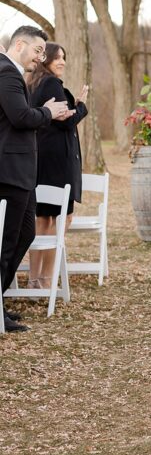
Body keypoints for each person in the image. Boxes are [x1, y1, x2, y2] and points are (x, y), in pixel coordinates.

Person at [0, 26, 69, 333]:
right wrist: (47, 112)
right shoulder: (7, 73)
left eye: (44, 52)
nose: (41, 58)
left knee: (24, 235)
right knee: (7, 241)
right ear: (19, 46)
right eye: (38, 51)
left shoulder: (12, 74)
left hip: (21, 173)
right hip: (9, 172)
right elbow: (21, 117)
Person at [26, 43, 89, 288]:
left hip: (41, 160)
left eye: (64, 57)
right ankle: (46, 279)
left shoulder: (34, 82)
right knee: (61, 220)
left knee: (43, 220)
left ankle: (34, 278)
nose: (62, 61)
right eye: (57, 57)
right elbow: (65, 122)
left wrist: (72, 108)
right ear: (46, 60)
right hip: (57, 164)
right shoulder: (52, 83)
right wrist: (81, 105)